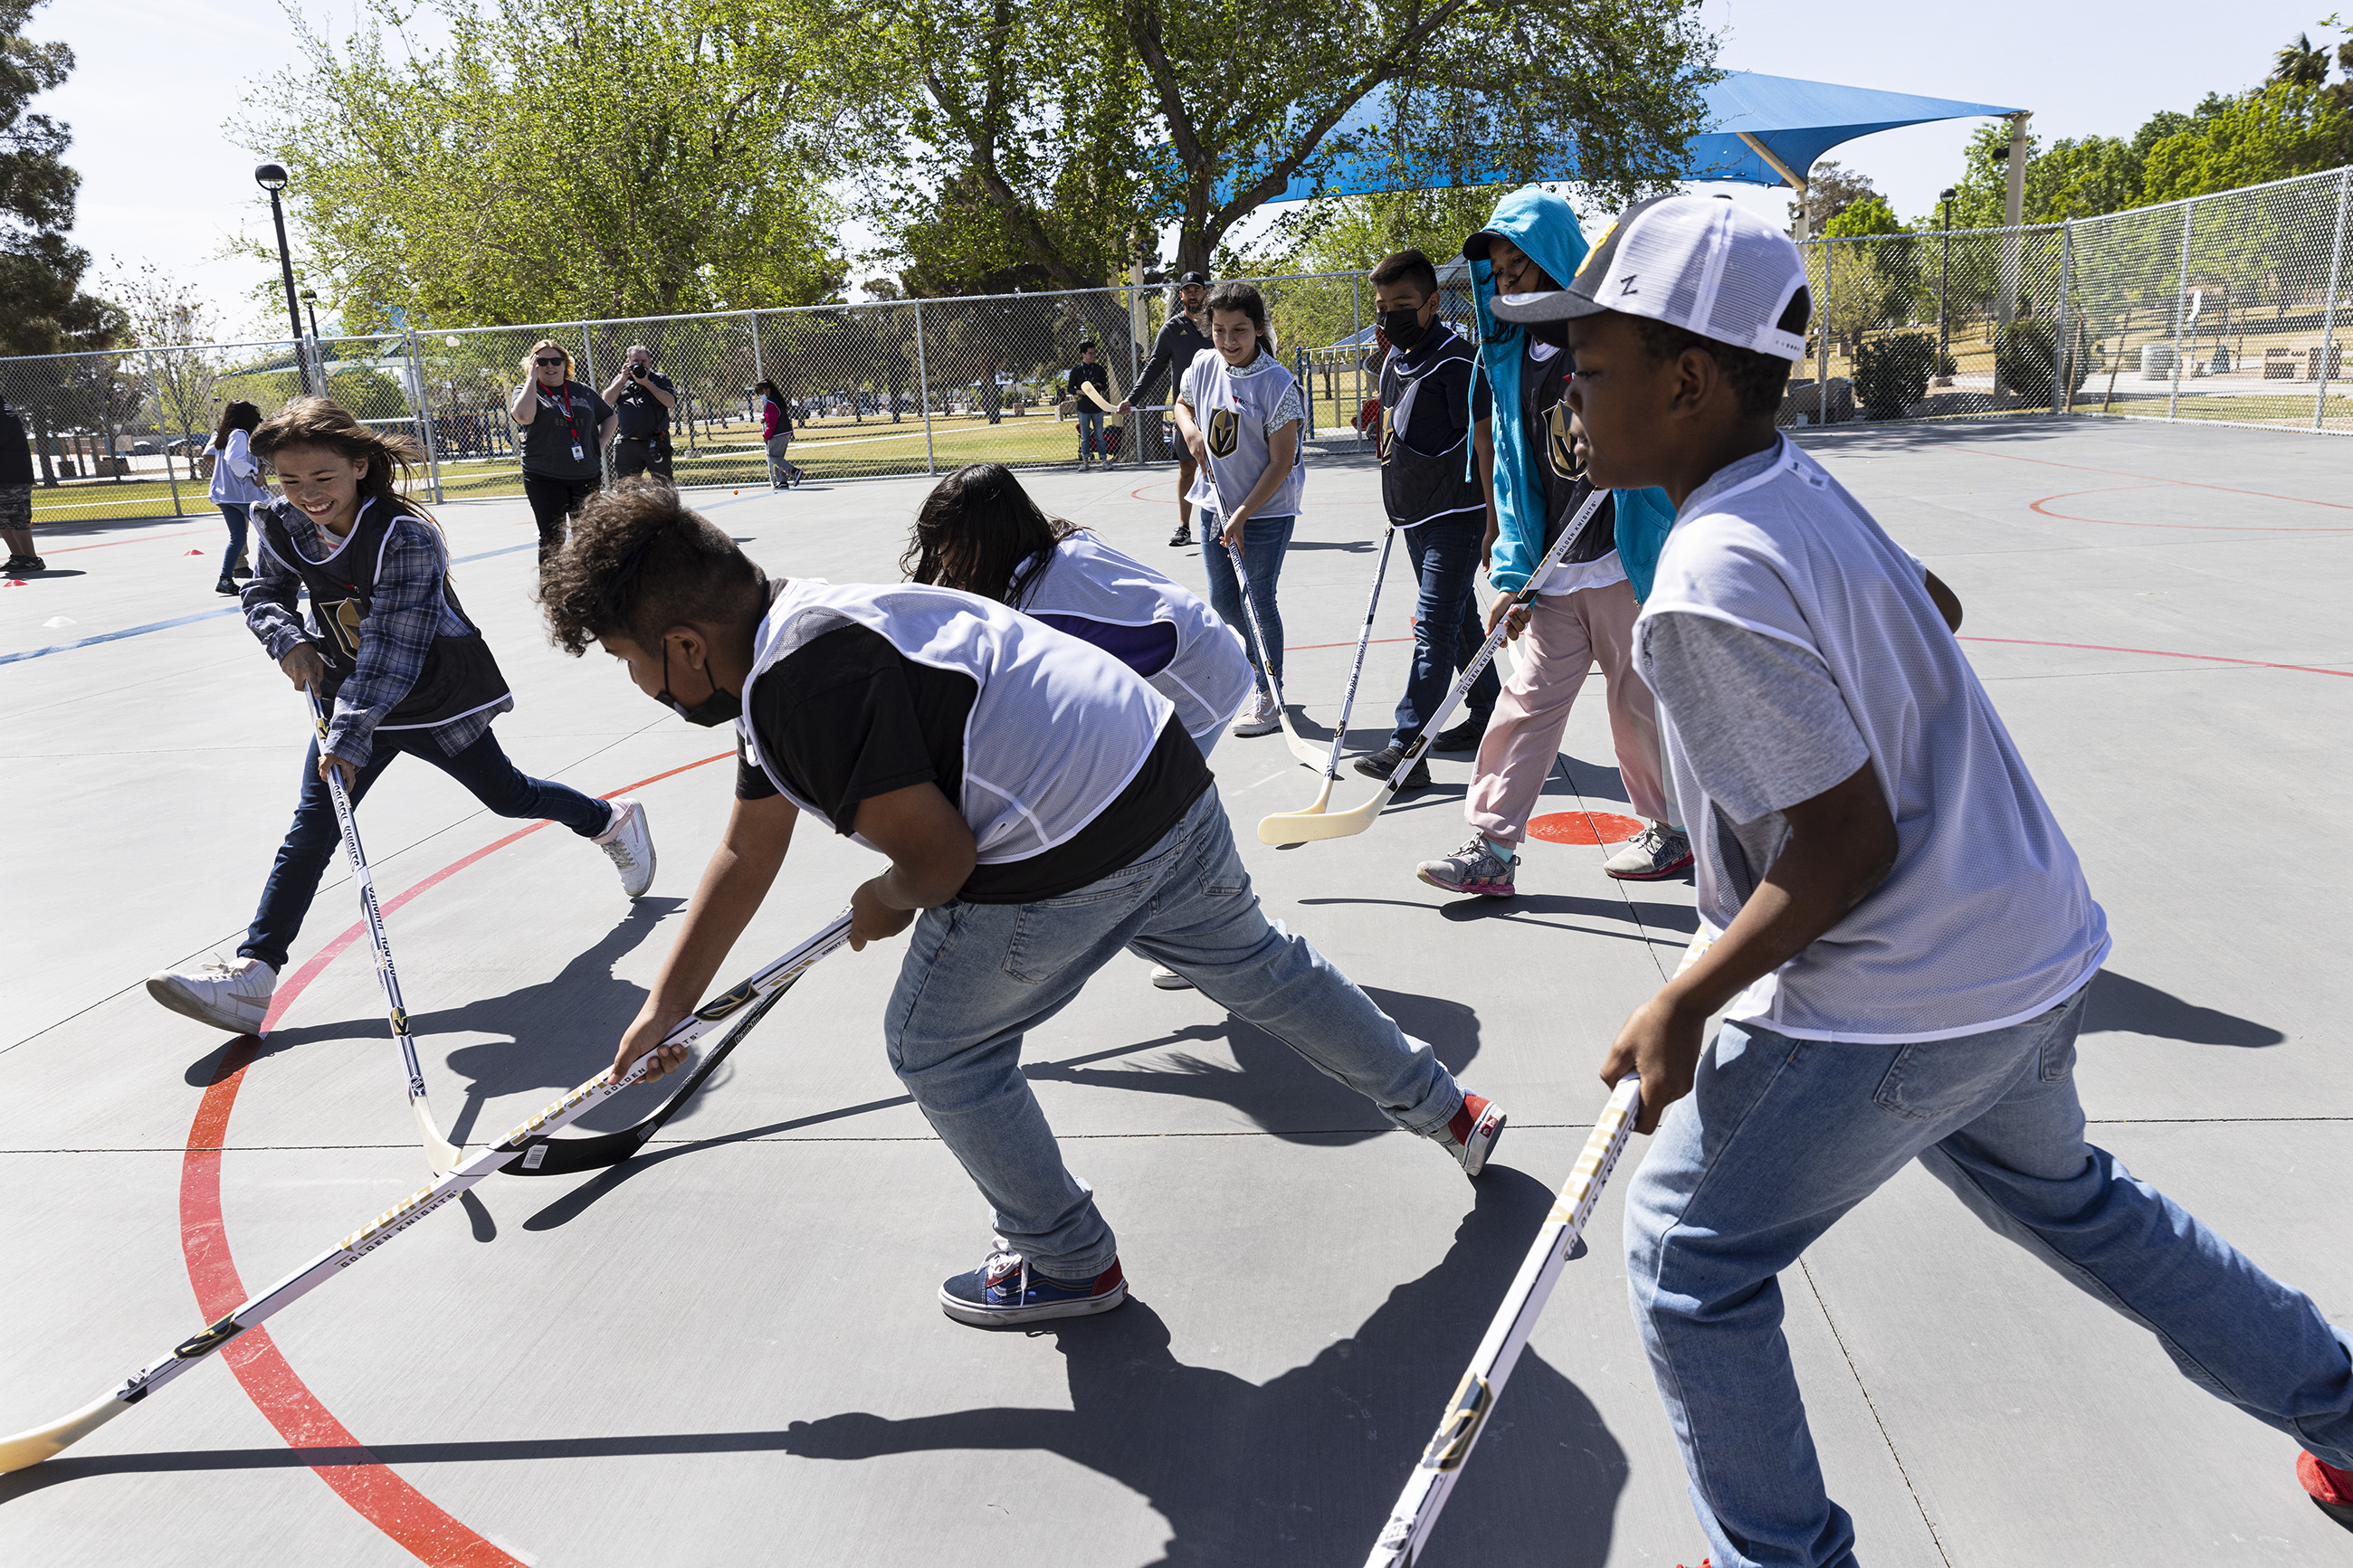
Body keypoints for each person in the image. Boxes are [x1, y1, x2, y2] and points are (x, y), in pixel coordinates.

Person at [1489, 192, 2353, 1563]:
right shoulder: (1793, 483)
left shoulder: (1707, 581)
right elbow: (1930, 604)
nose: (1570, 398)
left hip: (1903, 997)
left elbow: (1844, 847)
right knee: (2086, 1207)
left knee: (1686, 1265)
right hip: (2027, 948)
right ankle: (2347, 1412)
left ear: (1691, 379)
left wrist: (1686, 999)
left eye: (1591, 368)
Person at [537, 483, 1507, 1327]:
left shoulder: (797, 687)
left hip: (1070, 842)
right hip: (1159, 772)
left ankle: (1065, 1258)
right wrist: (666, 1003)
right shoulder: (798, 627)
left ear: (684, 645)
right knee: (1263, 968)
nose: (640, 683)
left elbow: (940, 859)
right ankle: (1448, 1108)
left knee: (936, 1045)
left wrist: (886, 892)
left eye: (630, 659)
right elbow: (747, 847)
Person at [143, 400, 656, 1036]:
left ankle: (608, 819)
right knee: (314, 826)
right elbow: (263, 592)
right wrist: (285, 635)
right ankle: (255, 974)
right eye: (289, 480)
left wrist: (350, 735)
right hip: (347, 693)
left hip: (432, 693)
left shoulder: (404, 535)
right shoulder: (277, 522)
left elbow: (393, 648)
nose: (306, 494)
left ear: (360, 466)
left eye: (322, 478)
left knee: (508, 794)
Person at [1414, 186, 1688, 901]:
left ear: (1556, 261)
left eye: (1521, 266)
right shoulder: (1505, 357)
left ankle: (1672, 829)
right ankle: (1492, 846)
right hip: (1553, 569)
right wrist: (1511, 566)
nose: (1508, 281)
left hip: (1624, 561)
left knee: (1637, 703)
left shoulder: (1605, 340)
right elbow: (1512, 468)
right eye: (1499, 271)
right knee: (1525, 704)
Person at [901, 461, 1253, 991]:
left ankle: (1219, 938)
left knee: (1133, 834)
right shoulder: (1056, 547)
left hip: (1196, 688)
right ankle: (1208, 930)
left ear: (985, 537)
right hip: (1203, 653)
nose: (945, 560)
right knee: (1141, 834)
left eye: (951, 544)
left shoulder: (1041, 609)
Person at [1351, 248, 1498, 790]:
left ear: (1433, 303)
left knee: (1433, 626)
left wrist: (1493, 523)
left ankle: (1407, 747)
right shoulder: (1393, 361)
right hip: (1414, 513)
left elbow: (1485, 444)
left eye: (1404, 304)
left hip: (1457, 515)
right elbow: (1394, 433)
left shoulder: (1459, 363)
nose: (1391, 315)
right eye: (1383, 305)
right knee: (1459, 623)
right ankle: (1487, 712)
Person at [1176, 281, 1305, 743]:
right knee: (1224, 600)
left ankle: (1271, 694)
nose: (1229, 341)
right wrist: (1191, 431)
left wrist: (1246, 512)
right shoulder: (1203, 363)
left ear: (1259, 329)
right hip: (1217, 504)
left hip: (1266, 510)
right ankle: (1259, 671)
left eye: (1240, 331)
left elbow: (1281, 461)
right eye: (1220, 330)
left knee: (1257, 599)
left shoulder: (1277, 383)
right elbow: (1183, 403)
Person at [1122, 271, 1215, 546]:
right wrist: (1133, 399)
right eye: (1188, 290)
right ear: (1182, 295)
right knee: (1187, 468)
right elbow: (1154, 367)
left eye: (1198, 289)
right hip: (1187, 413)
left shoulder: (1217, 325)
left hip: (1220, 411)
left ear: (1205, 293)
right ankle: (1185, 527)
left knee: (1225, 468)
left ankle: (1231, 522)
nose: (1193, 294)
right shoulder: (1172, 330)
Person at [510, 339, 614, 564]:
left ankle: (589, 589)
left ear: (565, 364)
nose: (550, 366)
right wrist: (531, 380)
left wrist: (599, 444)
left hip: (586, 475)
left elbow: (610, 416)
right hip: (544, 476)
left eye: (556, 360)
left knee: (588, 536)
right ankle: (552, 592)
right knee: (552, 538)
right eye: (542, 361)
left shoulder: (582, 391)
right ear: (533, 364)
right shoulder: (526, 390)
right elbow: (524, 417)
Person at [202, 400, 270, 596]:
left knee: (238, 537)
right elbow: (233, 459)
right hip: (242, 494)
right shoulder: (240, 434)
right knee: (270, 533)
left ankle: (225, 579)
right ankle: (270, 575)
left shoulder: (222, 434)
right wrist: (254, 472)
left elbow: (212, 455)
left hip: (224, 495)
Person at [603, 344, 677, 482]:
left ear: (649, 362)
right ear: (628, 362)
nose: (640, 365)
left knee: (664, 487)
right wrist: (621, 380)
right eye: (635, 361)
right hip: (627, 444)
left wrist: (646, 383)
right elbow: (606, 401)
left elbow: (670, 402)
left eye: (643, 361)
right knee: (626, 490)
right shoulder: (621, 380)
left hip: (656, 442)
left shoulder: (660, 379)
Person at [0, 393, 37, 575]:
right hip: (3, 476)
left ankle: (31, 559)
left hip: (13, 475)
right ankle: (18, 556)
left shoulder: (5, 415)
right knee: (3, 519)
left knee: (16, 518)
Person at [1065, 341, 1112, 468]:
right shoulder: (1076, 371)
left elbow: (1105, 385)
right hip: (1083, 408)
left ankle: (1104, 460)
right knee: (1085, 436)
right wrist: (1081, 391)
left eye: (1094, 353)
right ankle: (1085, 461)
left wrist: (1098, 385)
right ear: (1083, 354)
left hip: (1097, 406)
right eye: (1090, 353)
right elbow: (1070, 388)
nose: (1093, 356)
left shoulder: (1099, 369)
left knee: (1100, 435)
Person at [754, 377, 801, 489]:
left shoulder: (770, 403)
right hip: (786, 431)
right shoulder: (777, 400)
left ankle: (794, 471)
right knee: (779, 458)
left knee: (773, 456)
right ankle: (782, 481)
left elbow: (772, 422)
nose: (760, 396)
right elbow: (774, 415)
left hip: (778, 433)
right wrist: (765, 416)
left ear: (767, 390)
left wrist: (766, 435)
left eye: (761, 393)